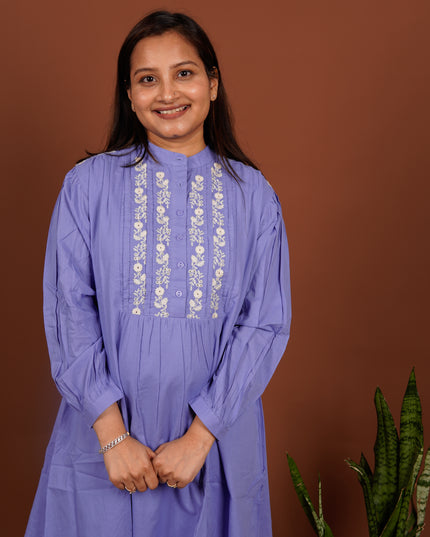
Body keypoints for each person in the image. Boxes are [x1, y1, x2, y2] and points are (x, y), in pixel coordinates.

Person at [25, 10, 292, 537]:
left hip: (213, 445)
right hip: (105, 449)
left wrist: (200, 437)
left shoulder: (254, 197)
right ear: (129, 95)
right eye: (148, 79)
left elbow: (264, 324)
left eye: (184, 73)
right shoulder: (87, 186)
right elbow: (69, 309)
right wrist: (112, 437)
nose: (167, 92)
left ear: (213, 84)